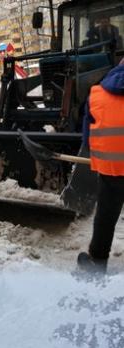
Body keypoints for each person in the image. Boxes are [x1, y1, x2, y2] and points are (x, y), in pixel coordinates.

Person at [77, 59, 124, 274]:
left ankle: (97, 262)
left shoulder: (95, 94)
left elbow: (88, 140)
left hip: (111, 169)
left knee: (105, 217)